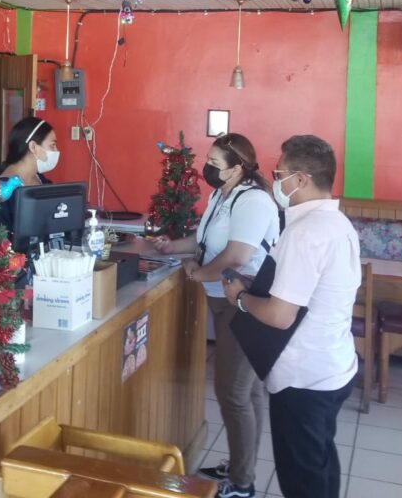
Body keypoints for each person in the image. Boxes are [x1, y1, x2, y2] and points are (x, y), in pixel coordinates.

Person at [222, 135, 360, 498]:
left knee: (302, 481)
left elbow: (280, 316)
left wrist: (240, 298)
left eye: (278, 173)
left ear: (300, 179)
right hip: (333, 366)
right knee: (320, 462)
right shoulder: (338, 223)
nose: (275, 181)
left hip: (304, 379)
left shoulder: (306, 232)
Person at [154, 133, 278, 498]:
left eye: (214, 163)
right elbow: (204, 239)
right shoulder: (222, 195)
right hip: (224, 298)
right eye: (207, 159)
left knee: (233, 393)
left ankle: (241, 483)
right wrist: (172, 247)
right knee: (248, 391)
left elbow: (237, 255)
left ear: (237, 168)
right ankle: (241, 467)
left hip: (244, 302)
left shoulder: (253, 200)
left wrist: (198, 274)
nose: (206, 168)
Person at [0, 117, 60, 234]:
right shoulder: (1, 191)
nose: (56, 151)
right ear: (33, 147)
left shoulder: (41, 180)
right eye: (52, 145)